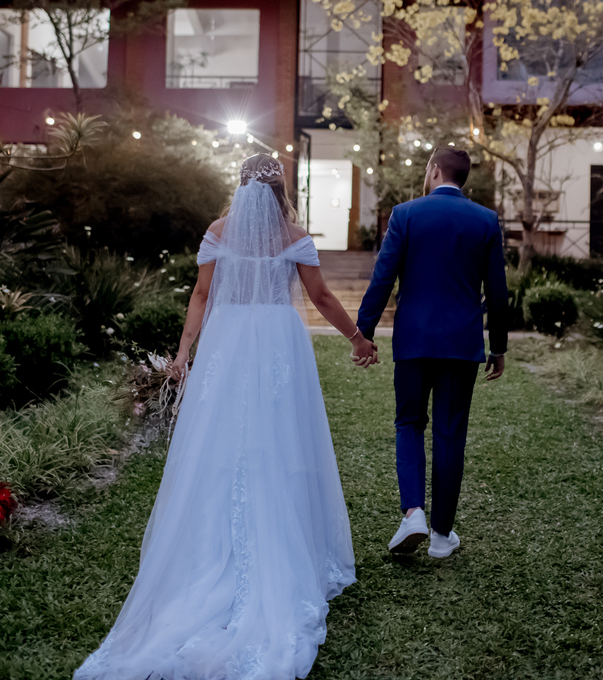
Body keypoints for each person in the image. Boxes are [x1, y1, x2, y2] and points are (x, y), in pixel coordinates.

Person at [73, 153, 377, 680]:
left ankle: (218, 548)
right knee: (279, 440)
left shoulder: (218, 231)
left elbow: (201, 295)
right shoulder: (293, 235)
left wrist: (184, 352)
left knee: (221, 441)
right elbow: (321, 296)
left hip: (227, 341)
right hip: (278, 342)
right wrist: (357, 338)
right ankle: (277, 545)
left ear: (239, 186)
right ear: (280, 189)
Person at [355, 147, 509, 559]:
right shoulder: (486, 220)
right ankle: (441, 535)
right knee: (450, 433)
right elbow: (497, 292)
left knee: (409, 423)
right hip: (462, 343)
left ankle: (413, 514)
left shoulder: (405, 214)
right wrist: (498, 347)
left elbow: (383, 278)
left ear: (435, 170)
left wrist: (363, 333)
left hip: (414, 340)